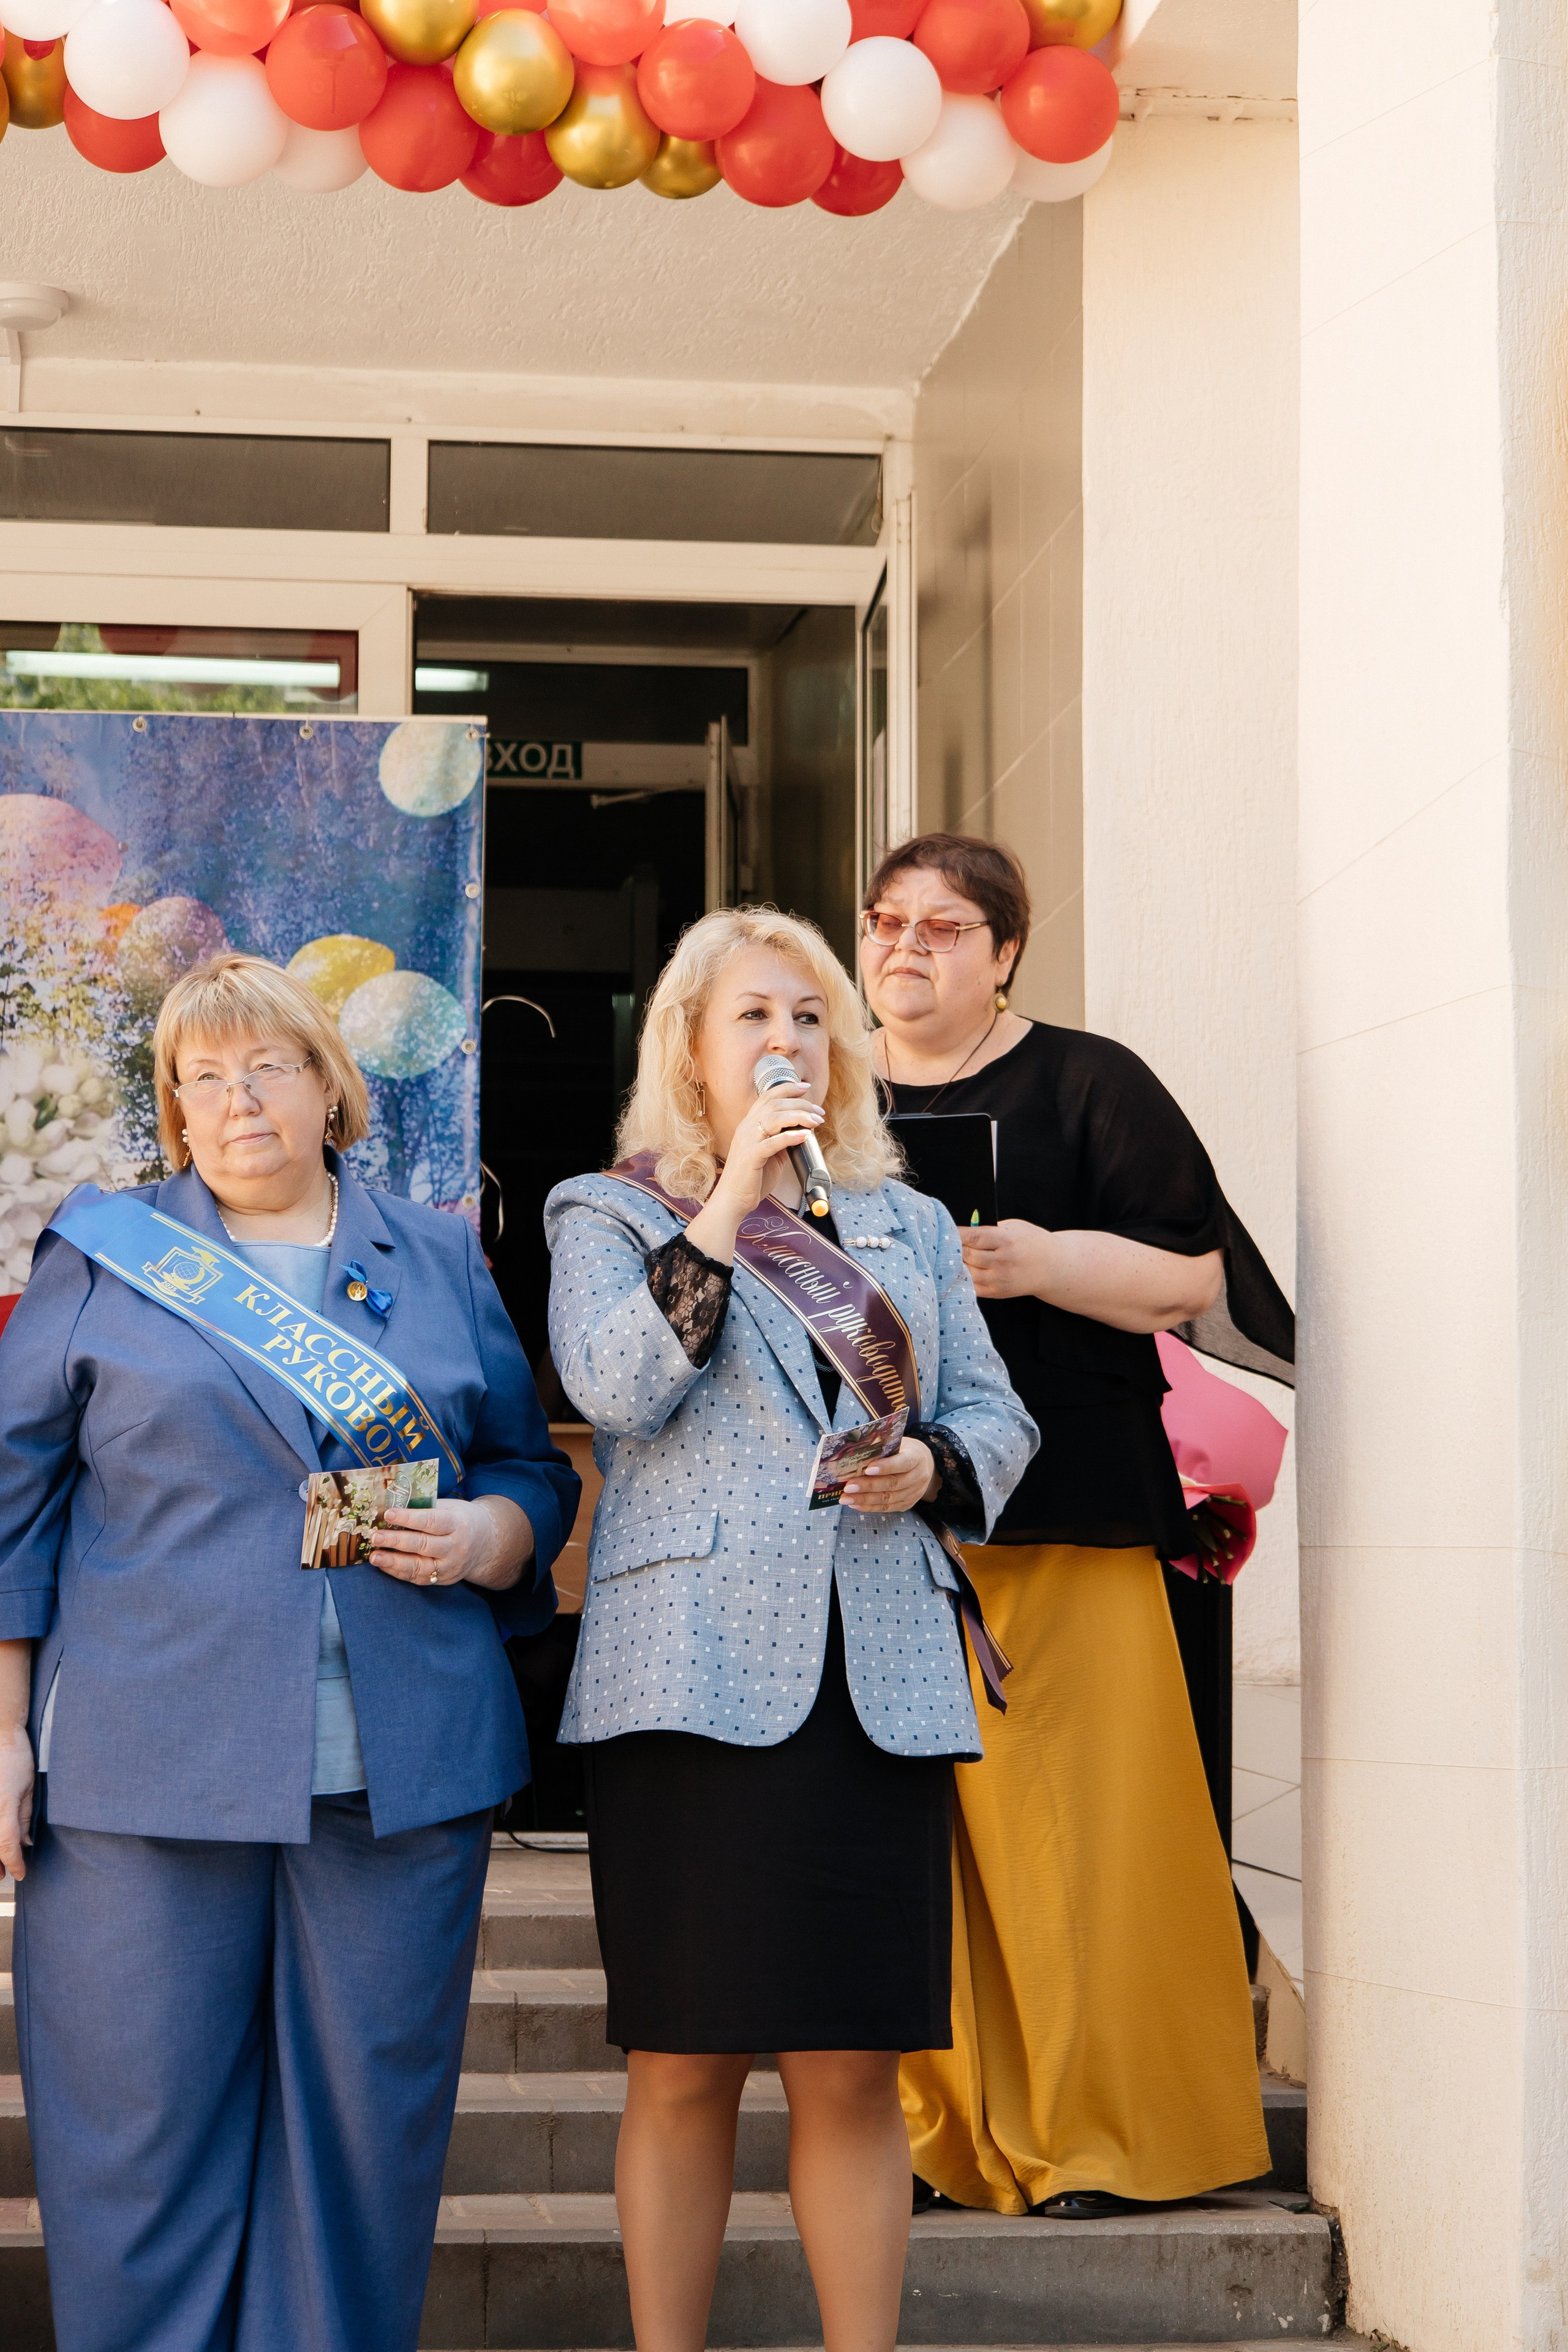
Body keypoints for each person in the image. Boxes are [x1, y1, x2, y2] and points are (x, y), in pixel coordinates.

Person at [0, 952, 579, 2352]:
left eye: (266, 1064)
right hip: (143, 1769)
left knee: (362, 2149)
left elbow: (522, 1465)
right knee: (136, 2141)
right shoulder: (101, 1248)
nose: (237, 1098)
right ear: (176, 1112)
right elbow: (11, 1511)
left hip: (395, 1768)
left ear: (330, 1086)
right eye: (202, 1077)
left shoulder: (435, 1255)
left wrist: (495, 1535)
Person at [544, 907, 1037, 2352]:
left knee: (850, 2067)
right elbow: (618, 1389)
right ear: (689, 1051)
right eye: (753, 1016)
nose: (787, 1042)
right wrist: (722, 1208)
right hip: (689, 1683)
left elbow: (997, 1416)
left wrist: (931, 1469)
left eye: (810, 1017)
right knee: (686, 2065)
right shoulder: (610, 1212)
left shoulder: (907, 1221)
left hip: (874, 1678)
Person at [860, 833, 1292, 2220]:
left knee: (1085, 1845)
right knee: (917, 1852)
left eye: (940, 925)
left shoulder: (1087, 1078)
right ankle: (941, 2141)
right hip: (882, 1532)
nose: (903, 947)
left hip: (1066, 1514)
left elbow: (1195, 1274)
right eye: (882, 922)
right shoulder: (817, 1096)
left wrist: (1039, 1263)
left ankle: (1108, 2139)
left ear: (1003, 951)